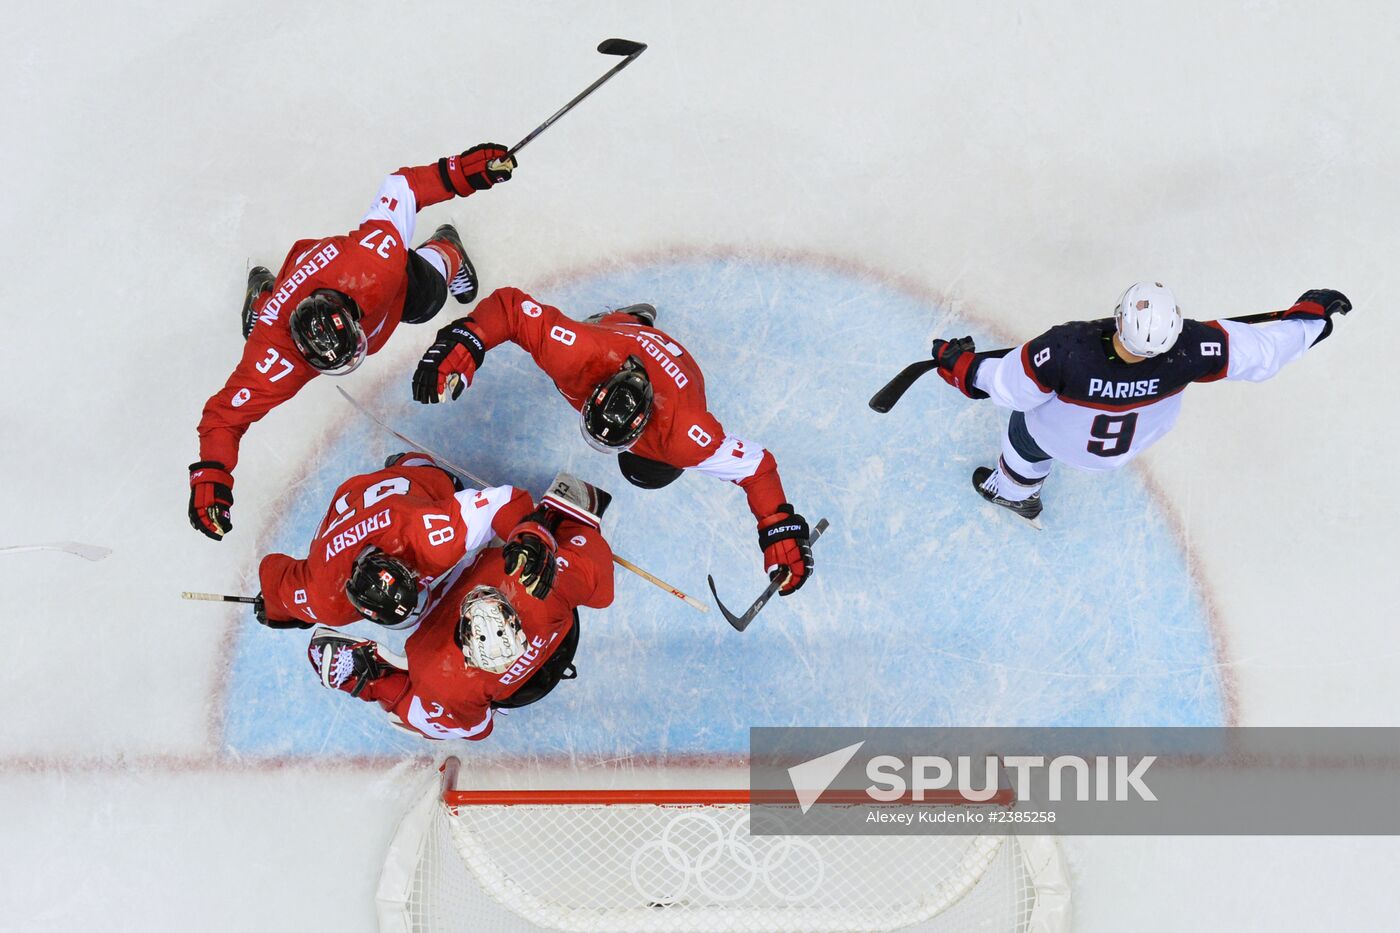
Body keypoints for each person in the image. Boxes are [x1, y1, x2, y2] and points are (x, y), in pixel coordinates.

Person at [188, 143, 518, 541]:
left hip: (364, 281)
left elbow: (404, 187)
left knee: (425, 300)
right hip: (296, 292)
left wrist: (464, 172)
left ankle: (447, 249)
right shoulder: (274, 356)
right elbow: (224, 417)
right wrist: (212, 479)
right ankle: (265, 296)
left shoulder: (372, 260)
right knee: (264, 324)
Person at [409, 288, 815, 595]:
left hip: (678, 374)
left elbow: (757, 465)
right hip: (619, 340)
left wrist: (776, 525)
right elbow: (511, 308)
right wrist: (468, 339)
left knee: (643, 472)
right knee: (602, 335)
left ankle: (632, 323)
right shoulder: (579, 353)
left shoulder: (686, 436)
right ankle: (626, 320)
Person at [928, 283, 1351, 523]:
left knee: (1023, 436)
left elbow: (1009, 386)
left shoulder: (1064, 350)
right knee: (1037, 426)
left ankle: (1015, 492)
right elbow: (1261, 351)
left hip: (1056, 437)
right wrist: (1310, 321)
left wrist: (961, 367)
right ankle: (1018, 488)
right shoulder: (1193, 347)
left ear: (1119, 317)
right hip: (1130, 445)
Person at [305, 476, 613, 741]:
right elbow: (603, 593)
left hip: (505, 682)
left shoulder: (431, 666)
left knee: (414, 711)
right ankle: (376, 684)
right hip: (546, 656)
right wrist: (538, 536)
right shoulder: (545, 585)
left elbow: (479, 730)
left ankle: (376, 683)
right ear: (513, 622)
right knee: (430, 714)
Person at [252, 453, 557, 630]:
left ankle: (409, 463)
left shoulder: (428, 535)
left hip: (412, 487)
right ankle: (404, 464)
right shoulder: (324, 599)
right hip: (356, 499)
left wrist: (528, 536)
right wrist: (280, 608)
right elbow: (273, 573)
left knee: (443, 482)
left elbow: (505, 499)